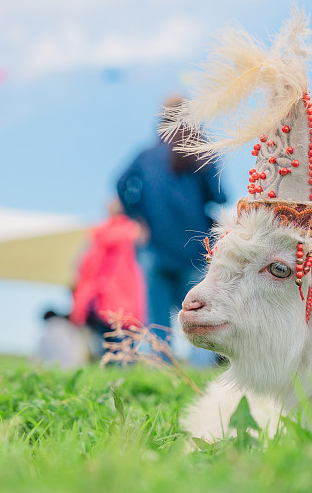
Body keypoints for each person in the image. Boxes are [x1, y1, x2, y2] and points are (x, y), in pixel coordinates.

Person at [116, 95, 227, 366]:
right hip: (194, 250)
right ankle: (200, 374)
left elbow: (120, 185)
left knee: (157, 319)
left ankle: (161, 370)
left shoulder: (146, 156)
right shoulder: (203, 154)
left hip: (154, 248)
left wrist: (138, 216)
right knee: (200, 316)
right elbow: (220, 196)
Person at [70, 198, 147, 339]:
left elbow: (85, 269)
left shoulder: (99, 235)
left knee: (106, 346)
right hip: (129, 300)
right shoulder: (134, 232)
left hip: (102, 301)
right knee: (126, 349)